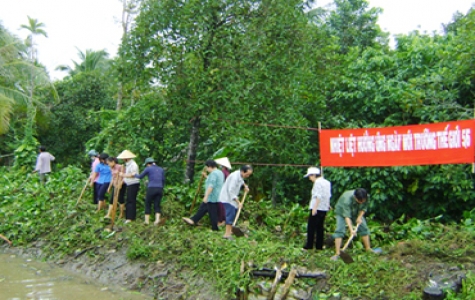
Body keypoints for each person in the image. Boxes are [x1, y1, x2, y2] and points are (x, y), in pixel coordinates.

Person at [330, 188, 380, 261]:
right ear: (355, 197)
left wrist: (359, 217)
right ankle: (337, 253)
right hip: (341, 212)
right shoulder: (346, 200)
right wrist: (351, 230)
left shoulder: (366, 196)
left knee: (364, 228)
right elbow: (347, 216)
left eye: (363, 201)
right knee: (339, 230)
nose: (361, 203)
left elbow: (364, 208)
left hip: (356, 211)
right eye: (360, 201)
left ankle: (368, 248)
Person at [183, 160, 224, 231]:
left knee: (212, 212)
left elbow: (211, 185)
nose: (207, 169)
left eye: (207, 168)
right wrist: (206, 176)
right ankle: (193, 220)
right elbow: (214, 181)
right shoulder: (220, 173)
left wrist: (206, 196)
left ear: (210, 167)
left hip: (211, 196)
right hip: (217, 196)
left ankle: (214, 228)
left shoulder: (213, 174)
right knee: (204, 209)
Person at [123, 157, 165, 226]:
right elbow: (163, 180)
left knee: (148, 203)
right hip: (160, 188)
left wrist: (134, 174)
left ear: (148, 164)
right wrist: (161, 187)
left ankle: (146, 221)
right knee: (157, 204)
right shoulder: (161, 169)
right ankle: (157, 220)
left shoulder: (148, 168)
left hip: (151, 188)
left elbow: (140, 177)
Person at [219, 165, 253, 239]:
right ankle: (227, 234)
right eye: (247, 174)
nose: (247, 176)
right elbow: (231, 191)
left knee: (233, 212)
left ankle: (230, 231)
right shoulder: (234, 177)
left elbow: (241, 181)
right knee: (230, 214)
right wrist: (239, 202)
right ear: (242, 171)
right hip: (227, 198)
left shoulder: (239, 174)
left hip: (232, 199)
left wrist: (245, 186)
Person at [302, 167, 331, 251]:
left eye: (310, 176)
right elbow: (328, 195)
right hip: (324, 207)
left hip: (316, 207)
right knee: (320, 227)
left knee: (311, 227)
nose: (310, 178)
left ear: (314, 175)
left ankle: (309, 245)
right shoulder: (327, 182)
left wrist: (315, 208)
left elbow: (318, 195)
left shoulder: (317, 182)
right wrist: (328, 204)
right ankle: (319, 246)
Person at [117, 150, 140, 224]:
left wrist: (123, 175)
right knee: (128, 200)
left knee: (131, 200)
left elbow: (133, 175)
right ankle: (128, 217)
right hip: (129, 184)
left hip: (133, 183)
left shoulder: (133, 164)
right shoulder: (127, 165)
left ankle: (130, 218)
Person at [215, 157, 231, 226]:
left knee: (220, 206)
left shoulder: (223, 172)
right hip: (226, 191)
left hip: (222, 191)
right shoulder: (227, 173)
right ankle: (223, 220)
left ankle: (221, 220)